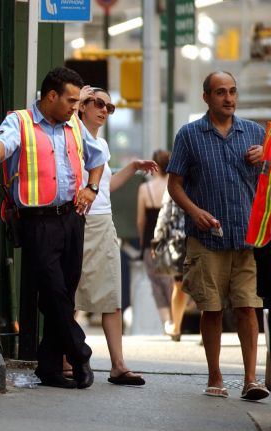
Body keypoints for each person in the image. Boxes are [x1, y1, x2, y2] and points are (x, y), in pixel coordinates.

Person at [0, 67, 106, 389]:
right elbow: (2, 146)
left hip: (72, 217)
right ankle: (80, 352)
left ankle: (49, 368)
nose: (77, 106)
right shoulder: (19, 122)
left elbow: (97, 159)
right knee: (55, 292)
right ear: (51, 96)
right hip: (37, 221)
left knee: (63, 294)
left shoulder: (73, 123)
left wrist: (92, 188)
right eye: (72, 100)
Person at [167, 71, 269, 401]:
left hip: (246, 237)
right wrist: (194, 211)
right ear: (207, 97)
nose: (229, 98)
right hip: (206, 237)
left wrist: (266, 161)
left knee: (247, 307)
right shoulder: (190, 135)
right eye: (221, 92)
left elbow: (266, 184)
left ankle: (251, 379)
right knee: (211, 309)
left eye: (233, 92)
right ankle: (215, 375)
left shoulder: (254, 133)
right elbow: (174, 185)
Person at [71, 86, 157, 386]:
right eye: (98, 103)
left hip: (102, 222)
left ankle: (118, 365)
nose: (104, 110)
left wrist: (132, 167)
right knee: (69, 294)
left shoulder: (101, 143)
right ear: (81, 105)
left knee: (111, 295)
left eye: (109, 107)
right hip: (77, 222)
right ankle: (68, 358)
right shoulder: (70, 133)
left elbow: (104, 187)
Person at [138, 150, 176, 331]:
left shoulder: (145, 189)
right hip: (171, 241)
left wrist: (142, 241)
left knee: (156, 284)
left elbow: (140, 220)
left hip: (150, 242)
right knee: (173, 281)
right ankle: (177, 321)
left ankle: (167, 322)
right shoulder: (174, 186)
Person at [152, 190, 190, 342]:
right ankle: (204, 328)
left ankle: (176, 328)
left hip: (179, 240)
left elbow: (165, 214)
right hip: (202, 236)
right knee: (204, 283)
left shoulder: (175, 181)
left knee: (179, 284)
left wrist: (158, 239)